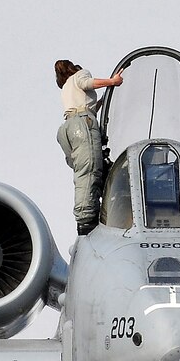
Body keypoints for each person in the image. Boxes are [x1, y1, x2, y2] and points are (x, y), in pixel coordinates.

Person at [54, 59, 122, 234]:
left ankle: (89, 211)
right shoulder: (79, 75)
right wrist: (112, 82)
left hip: (67, 129)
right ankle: (87, 222)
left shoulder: (66, 86)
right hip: (82, 126)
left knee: (82, 171)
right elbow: (88, 83)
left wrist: (105, 98)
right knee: (90, 171)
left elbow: (87, 106)